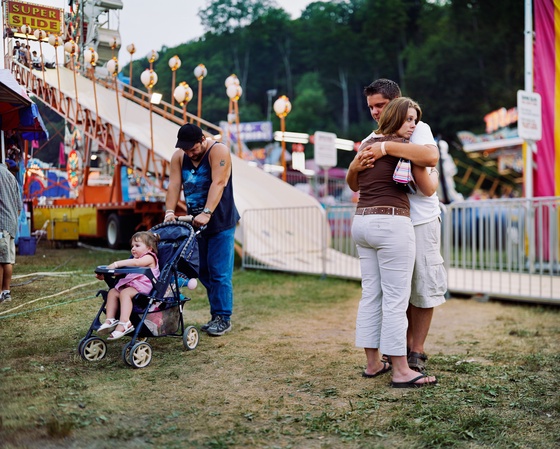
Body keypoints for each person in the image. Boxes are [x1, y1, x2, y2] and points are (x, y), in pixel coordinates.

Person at [358, 78, 447, 373]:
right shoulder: (374, 136)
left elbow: (431, 157)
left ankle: (415, 350)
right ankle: (398, 348)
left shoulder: (415, 125)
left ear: (396, 102)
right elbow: (355, 179)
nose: (375, 111)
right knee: (395, 291)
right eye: (371, 106)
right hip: (392, 221)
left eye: (380, 105)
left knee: (422, 285)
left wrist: (385, 149)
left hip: (420, 220)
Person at [164, 123, 240, 337]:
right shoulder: (179, 157)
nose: (190, 153)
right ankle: (216, 315)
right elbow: (174, 184)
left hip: (220, 221)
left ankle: (223, 317)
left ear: (202, 140)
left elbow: (219, 182)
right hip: (196, 225)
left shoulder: (218, 151)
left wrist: (207, 211)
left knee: (220, 272)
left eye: (193, 148)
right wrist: (170, 211)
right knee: (203, 271)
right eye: (186, 149)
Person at [96, 231, 160, 340]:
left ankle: (125, 323)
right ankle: (110, 320)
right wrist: (106, 273)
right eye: (132, 246)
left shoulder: (150, 257)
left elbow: (136, 264)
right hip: (131, 286)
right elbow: (121, 271)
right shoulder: (134, 260)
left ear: (149, 248)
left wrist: (116, 264)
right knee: (112, 292)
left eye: (137, 245)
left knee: (125, 293)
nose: (133, 249)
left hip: (144, 288)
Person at [0, 161, 23, 302]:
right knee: (7, 260)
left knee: (0, 260)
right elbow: (19, 206)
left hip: (1, 222)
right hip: (12, 223)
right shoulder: (11, 176)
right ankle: (6, 291)